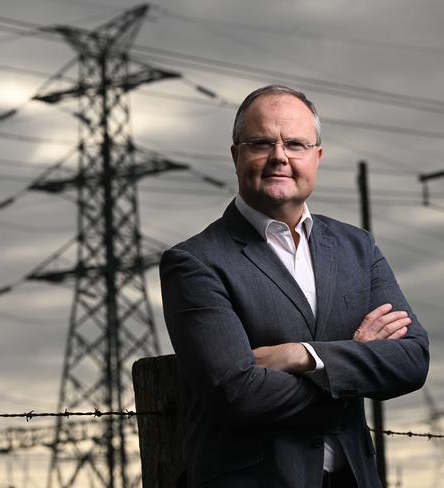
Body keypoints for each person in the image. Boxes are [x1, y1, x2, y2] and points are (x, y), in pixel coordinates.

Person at [159, 85, 429, 488]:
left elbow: (411, 360)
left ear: (316, 157)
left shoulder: (357, 247)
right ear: (236, 155)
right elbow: (237, 395)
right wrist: (354, 369)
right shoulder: (196, 262)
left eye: (296, 144)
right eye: (261, 143)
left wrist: (301, 356)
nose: (280, 156)